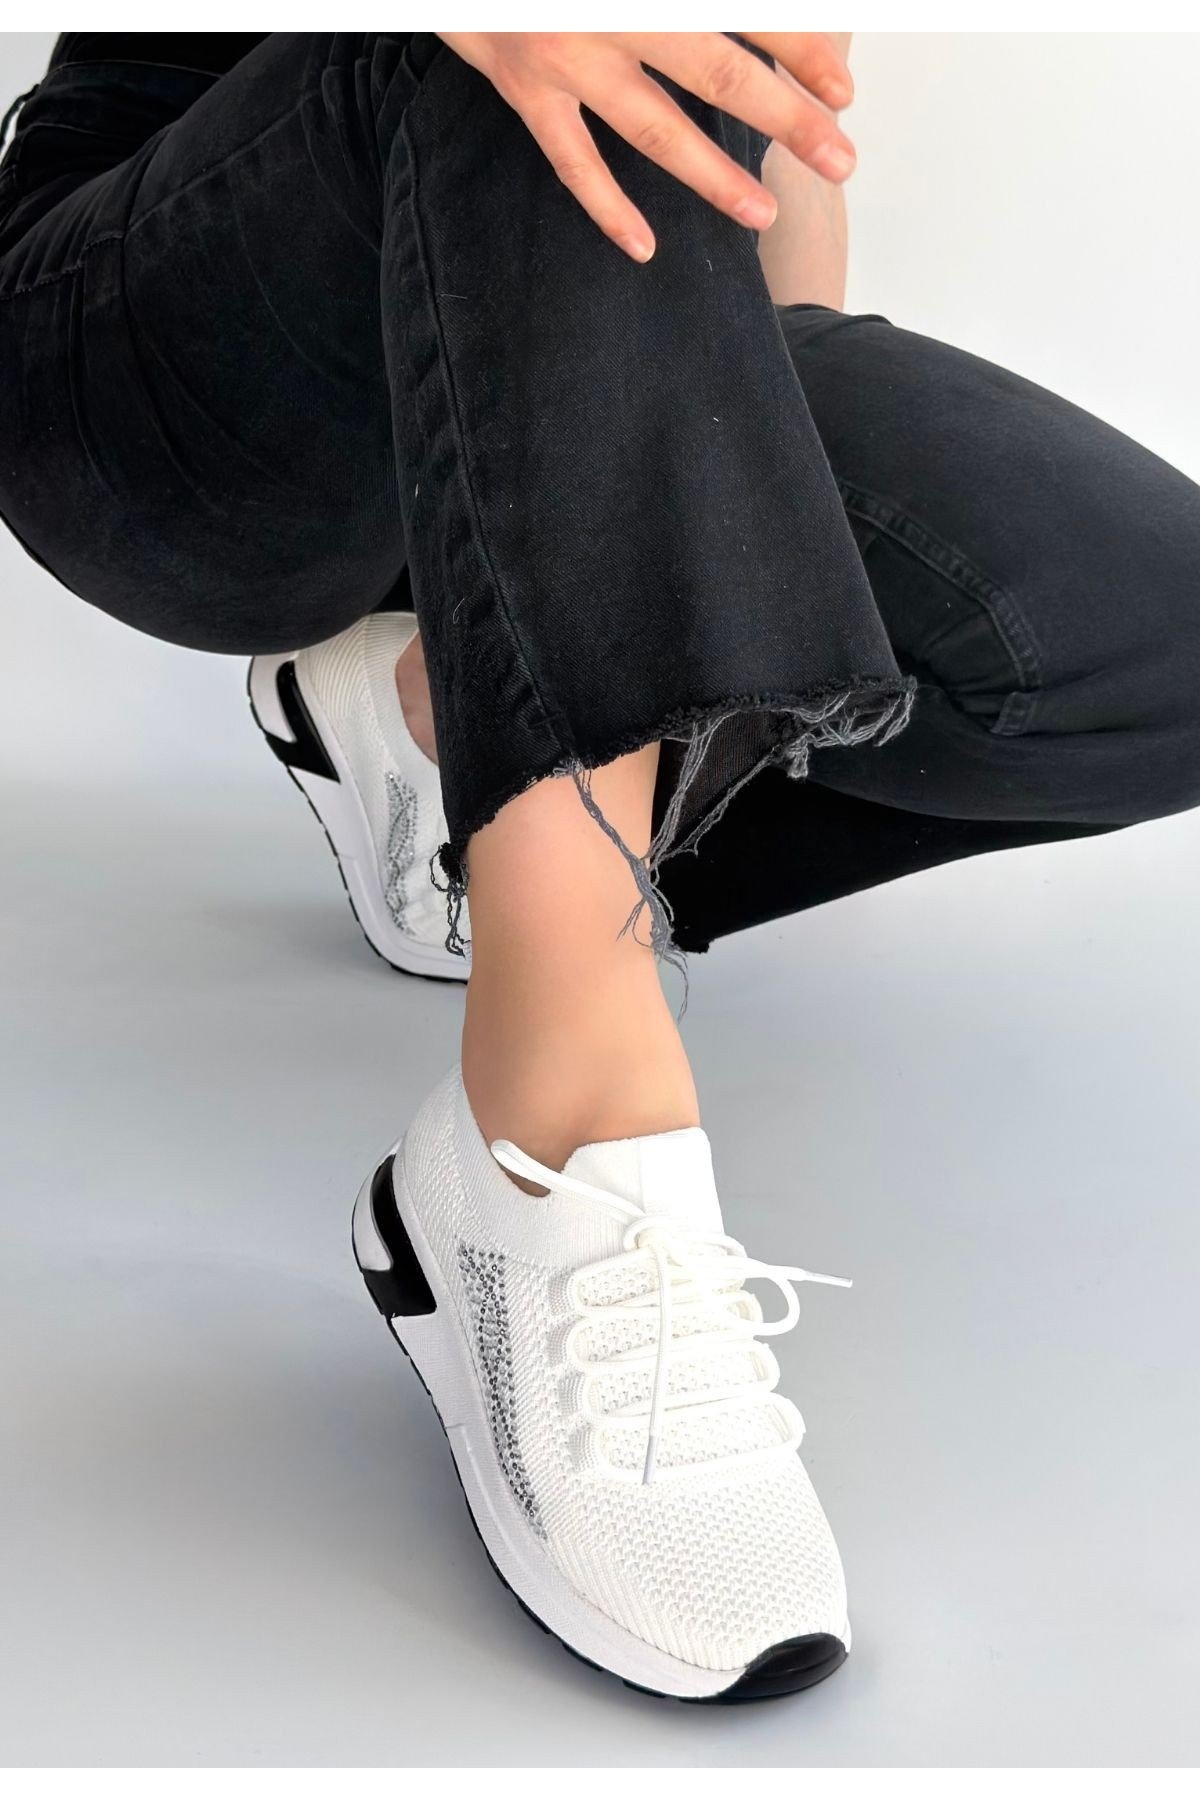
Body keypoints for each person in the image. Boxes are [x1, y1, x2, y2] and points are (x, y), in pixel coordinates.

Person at [2, 31, 1197, 1703]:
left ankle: (447, 730)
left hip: (577, 307)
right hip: (172, 347)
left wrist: (692, 524)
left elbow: (768, 165)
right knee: (560, 52)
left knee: (1155, 646)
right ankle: (550, 1135)